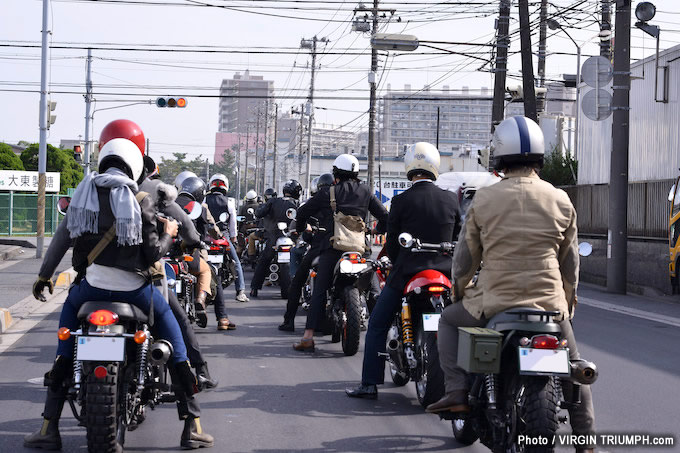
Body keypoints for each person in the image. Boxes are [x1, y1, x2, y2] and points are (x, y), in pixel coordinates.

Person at [26, 131, 212, 450]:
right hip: (138, 292)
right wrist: (175, 235)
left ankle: (48, 427)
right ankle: (192, 424)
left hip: (90, 290)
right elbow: (166, 245)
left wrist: (44, 277)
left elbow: (60, 240)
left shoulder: (84, 193)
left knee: (64, 347)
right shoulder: (147, 196)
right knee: (176, 342)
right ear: (137, 165)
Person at [425, 117, 595, 453]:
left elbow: (464, 259)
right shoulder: (560, 199)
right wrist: (568, 301)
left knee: (446, 320)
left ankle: (457, 391)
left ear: (499, 155)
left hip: (494, 303)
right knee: (575, 369)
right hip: (550, 307)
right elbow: (570, 262)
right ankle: (587, 441)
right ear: (539, 157)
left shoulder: (485, 200)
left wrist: (459, 293)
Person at [346, 143, 461, 398]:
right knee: (463, 326)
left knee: (377, 324)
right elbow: (459, 240)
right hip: (445, 277)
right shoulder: (450, 199)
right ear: (435, 166)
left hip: (408, 274)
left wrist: (397, 263)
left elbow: (393, 243)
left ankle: (369, 384)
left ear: (410, 167)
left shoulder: (400, 201)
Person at [292, 155, 388, 352]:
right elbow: (385, 217)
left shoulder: (329, 192)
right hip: (359, 249)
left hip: (334, 250)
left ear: (336, 173)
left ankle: (308, 337)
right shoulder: (365, 191)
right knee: (374, 289)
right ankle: (382, 332)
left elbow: (302, 212)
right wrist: (376, 231)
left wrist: (302, 227)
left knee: (319, 290)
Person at [140, 157, 218, 390]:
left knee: (71, 323)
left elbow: (66, 237)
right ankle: (195, 380)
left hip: (94, 281)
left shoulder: (92, 188)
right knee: (176, 321)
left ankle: (52, 409)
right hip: (142, 277)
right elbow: (188, 229)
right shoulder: (155, 190)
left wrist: (44, 277)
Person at [177, 176, 236, 331]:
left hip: (167, 255)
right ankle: (216, 312)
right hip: (193, 253)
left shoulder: (169, 205)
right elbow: (211, 227)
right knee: (212, 273)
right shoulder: (199, 207)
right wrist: (220, 236)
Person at [279, 173, 334, 332]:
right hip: (343, 247)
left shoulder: (313, 201)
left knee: (297, 282)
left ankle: (289, 321)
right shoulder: (342, 199)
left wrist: (301, 229)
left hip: (320, 246)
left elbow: (299, 218)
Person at [249, 181, 301, 297]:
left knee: (263, 261)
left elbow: (259, 213)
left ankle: (254, 288)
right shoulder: (298, 204)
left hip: (273, 237)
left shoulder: (274, 201)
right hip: (292, 238)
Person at [205, 173, 249, 302]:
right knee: (236, 263)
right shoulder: (229, 201)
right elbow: (233, 224)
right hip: (223, 237)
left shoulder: (204, 200)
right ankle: (240, 291)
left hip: (207, 237)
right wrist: (234, 239)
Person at [238, 189, 260, 259]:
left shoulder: (243, 207)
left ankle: (237, 260)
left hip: (246, 229)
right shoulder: (260, 206)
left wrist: (238, 229)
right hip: (258, 228)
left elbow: (239, 220)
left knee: (240, 246)